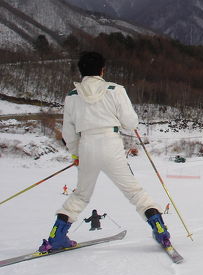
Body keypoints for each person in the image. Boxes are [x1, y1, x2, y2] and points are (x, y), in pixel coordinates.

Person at [37, 52, 171, 253]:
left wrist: (76, 155)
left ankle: (57, 236)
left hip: (87, 146)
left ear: (81, 71)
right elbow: (130, 122)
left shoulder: (72, 96)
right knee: (134, 192)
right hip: (111, 145)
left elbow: (68, 132)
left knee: (81, 195)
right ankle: (159, 230)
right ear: (102, 70)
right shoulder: (115, 90)